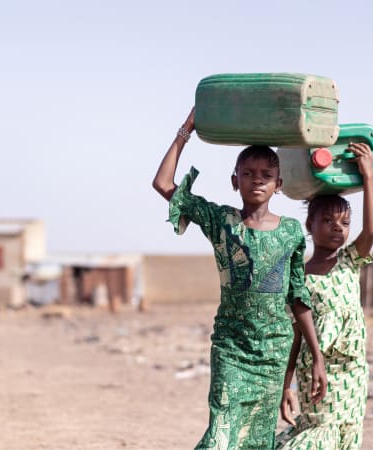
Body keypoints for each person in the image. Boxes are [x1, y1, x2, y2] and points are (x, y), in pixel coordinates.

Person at [152, 107, 328, 449]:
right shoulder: (221, 221)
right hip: (231, 348)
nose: (257, 179)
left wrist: (316, 357)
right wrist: (186, 130)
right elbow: (162, 184)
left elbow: (298, 298)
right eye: (248, 173)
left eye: (266, 174)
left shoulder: (291, 232)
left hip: (273, 353)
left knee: (255, 441)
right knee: (221, 435)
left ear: (279, 184)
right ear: (235, 181)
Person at [275, 142, 373, 449]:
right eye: (328, 221)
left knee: (346, 437)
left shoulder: (349, 260)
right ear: (310, 225)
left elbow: (371, 231)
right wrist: (287, 383)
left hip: (354, 370)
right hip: (318, 370)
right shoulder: (300, 276)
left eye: (345, 223)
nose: (338, 228)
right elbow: (296, 333)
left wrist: (368, 178)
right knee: (319, 435)